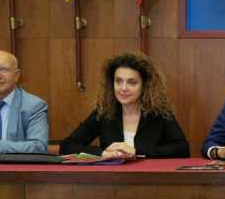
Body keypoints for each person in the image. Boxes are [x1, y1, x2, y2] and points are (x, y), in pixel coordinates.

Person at [60, 52, 189, 158]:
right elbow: (67, 146)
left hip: (150, 178)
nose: (123, 88)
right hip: (112, 179)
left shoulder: (159, 113)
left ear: (145, 86)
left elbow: (182, 149)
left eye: (131, 82)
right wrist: (103, 153)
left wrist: (136, 152)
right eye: (118, 81)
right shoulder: (104, 112)